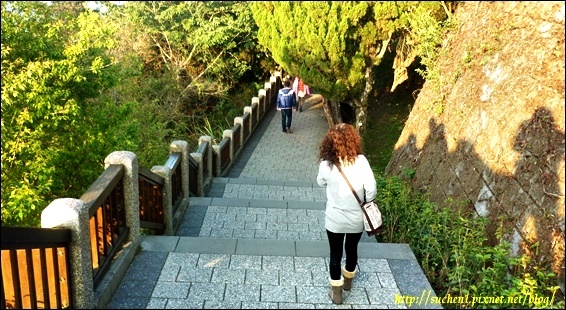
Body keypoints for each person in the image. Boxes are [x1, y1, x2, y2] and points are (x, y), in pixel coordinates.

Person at [316, 123, 377, 305]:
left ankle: (336, 293)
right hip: (356, 218)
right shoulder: (362, 161)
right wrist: (367, 201)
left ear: (330, 142)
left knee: (335, 254)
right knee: (351, 250)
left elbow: (320, 182)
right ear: (353, 139)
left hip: (334, 218)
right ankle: (348, 281)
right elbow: (372, 188)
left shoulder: (326, 164)